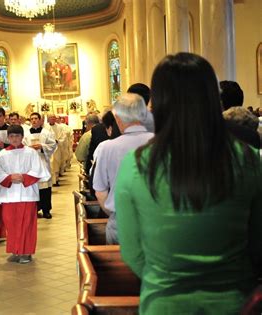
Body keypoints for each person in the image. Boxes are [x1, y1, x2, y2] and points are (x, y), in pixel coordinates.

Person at [115, 53, 261, 314]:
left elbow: (132, 252)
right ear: (213, 98)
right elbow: (258, 243)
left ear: (157, 104)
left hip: (163, 303)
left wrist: (164, 278)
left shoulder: (135, 165)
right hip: (233, 303)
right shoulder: (250, 160)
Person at [92, 93, 154, 244]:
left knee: (118, 264)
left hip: (122, 222)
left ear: (118, 119)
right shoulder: (161, 143)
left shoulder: (107, 147)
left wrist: (115, 213)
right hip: (156, 221)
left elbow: (100, 192)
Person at [0, 125, 50, 264]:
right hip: (9, 194)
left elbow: (38, 170)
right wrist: (10, 178)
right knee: (11, 224)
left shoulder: (30, 152)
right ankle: (15, 250)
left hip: (27, 193)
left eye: (17, 136)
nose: (14, 139)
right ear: (8, 137)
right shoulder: (2, 154)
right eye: (11, 136)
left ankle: (26, 252)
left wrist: (24, 177)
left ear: (22, 137)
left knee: (26, 224)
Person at [23, 112, 57, 219]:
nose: (34, 120)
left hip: (43, 162)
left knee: (45, 187)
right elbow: (22, 146)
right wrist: (29, 149)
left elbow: (53, 145)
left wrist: (42, 147)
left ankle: (46, 210)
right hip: (31, 164)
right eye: (32, 119)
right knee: (33, 187)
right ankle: (35, 209)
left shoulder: (46, 132)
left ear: (40, 120)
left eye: (36, 118)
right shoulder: (26, 133)